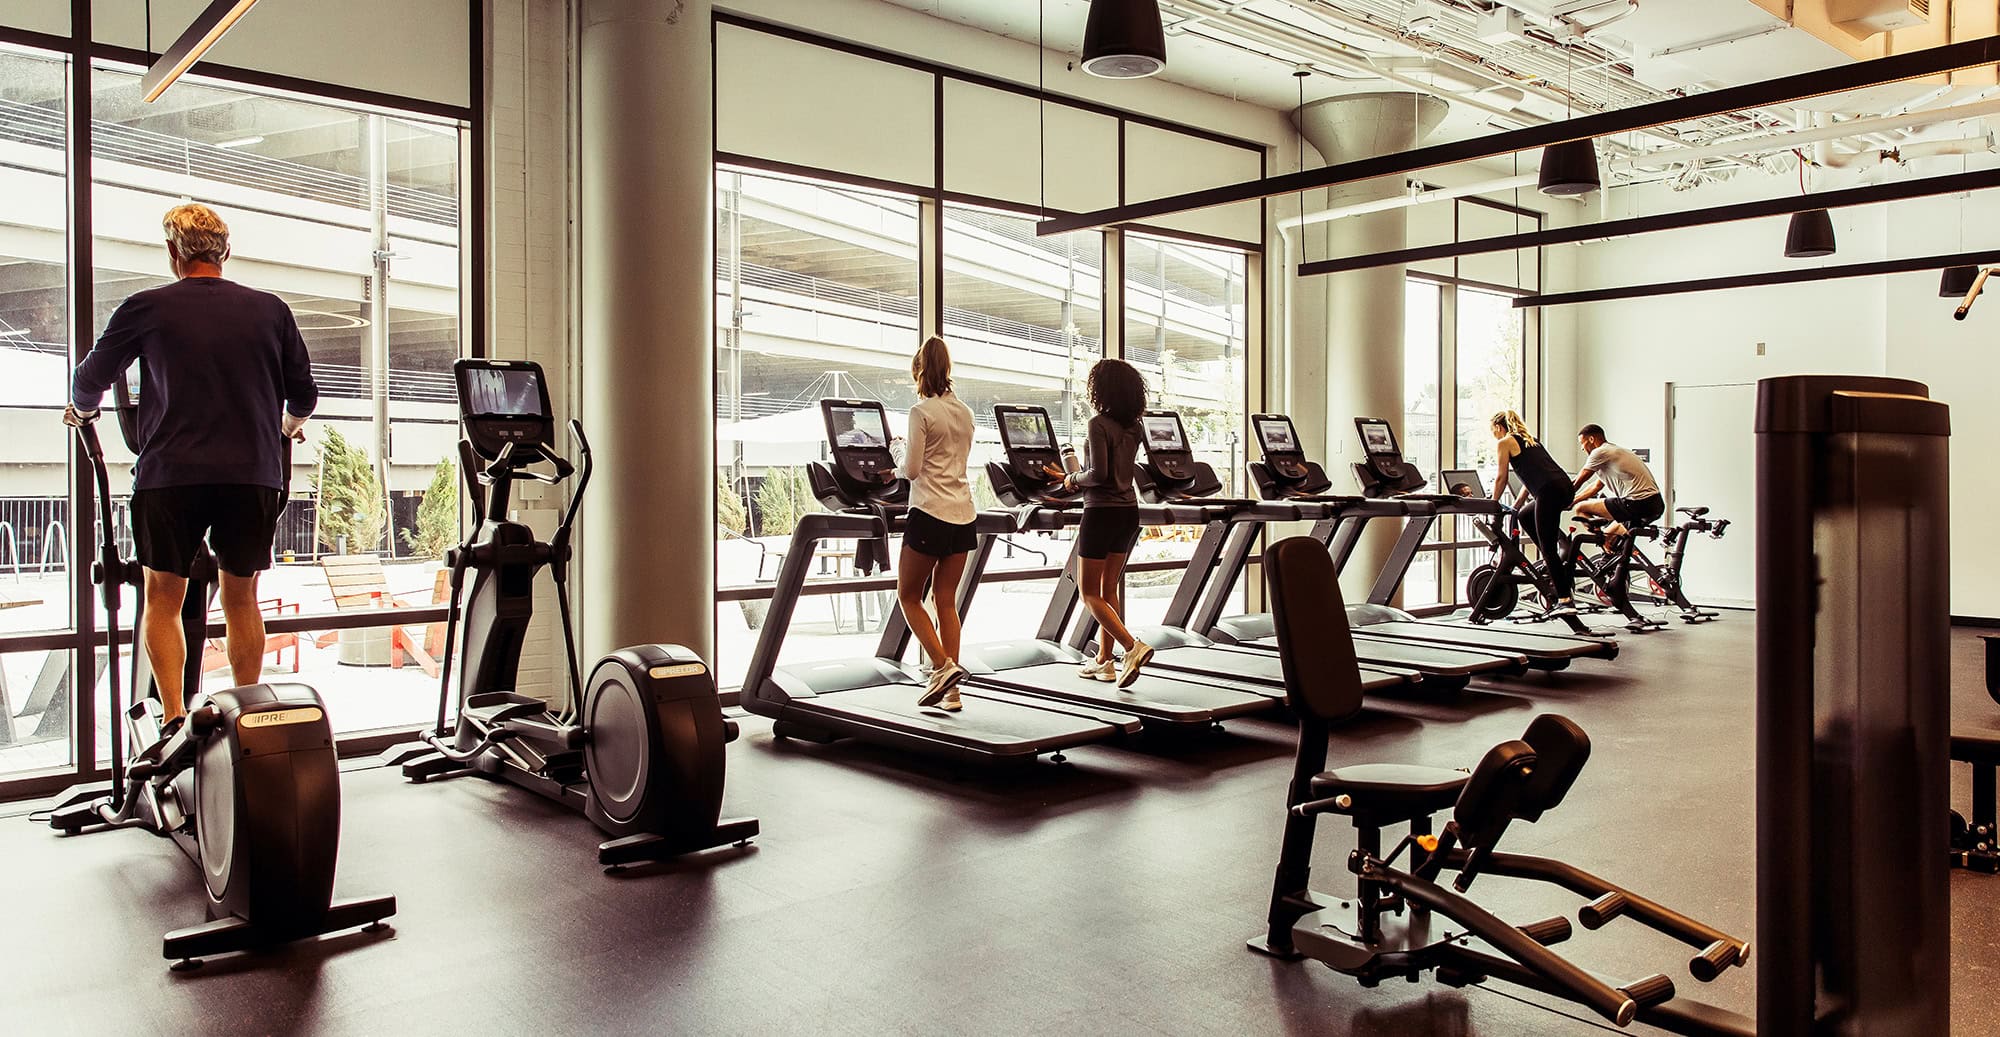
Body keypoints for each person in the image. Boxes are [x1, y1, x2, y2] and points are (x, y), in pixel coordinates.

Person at [63, 203, 316, 728]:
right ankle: (251, 717)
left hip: (171, 475)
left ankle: (174, 718)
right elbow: (304, 396)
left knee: (163, 594)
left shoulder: (146, 307)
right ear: (225, 253)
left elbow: (89, 379)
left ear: (173, 252)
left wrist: (85, 412)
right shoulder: (271, 310)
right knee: (241, 594)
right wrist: (286, 428)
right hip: (251, 475)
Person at [1052, 359, 1153, 688]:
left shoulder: (1099, 424)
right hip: (1129, 512)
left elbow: (1099, 475)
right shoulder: (1135, 426)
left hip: (1101, 512)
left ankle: (1130, 647)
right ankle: (1104, 661)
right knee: (1110, 590)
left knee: (1089, 592)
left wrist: (1070, 479)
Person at [893, 337, 977, 712]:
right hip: (963, 514)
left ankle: (941, 667)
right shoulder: (964, 412)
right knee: (946, 600)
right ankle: (952, 690)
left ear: (919, 370)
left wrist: (895, 450)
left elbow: (911, 469)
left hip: (929, 512)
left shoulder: (920, 411)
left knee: (909, 595)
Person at [1488, 410, 1578, 619]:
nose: (1494, 436)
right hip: (1564, 488)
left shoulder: (1504, 442)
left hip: (1549, 492)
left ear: (1499, 428)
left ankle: (1565, 599)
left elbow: (1501, 478)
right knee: (1525, 515)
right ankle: (1553, 561)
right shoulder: (1530, 440)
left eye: (1493, 432)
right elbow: (1530, 479)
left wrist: (1492, 504)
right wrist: (1517, 505)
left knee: (1548, 549)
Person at [1571, 424, 1664, 543]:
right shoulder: (1614, 451)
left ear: (1591, 439)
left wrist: (1559, 502)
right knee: (1609, 537)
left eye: (1582, 443)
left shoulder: (1599, 452)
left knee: (1580, 508)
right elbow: (1596, 486)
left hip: (1636, 503)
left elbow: (1579, 480)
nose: (1582, 448)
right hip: (1655, 504)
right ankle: (1616, 554)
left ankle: (1599, 540)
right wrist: (1573, 500)